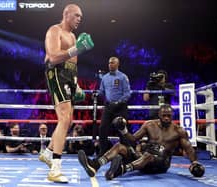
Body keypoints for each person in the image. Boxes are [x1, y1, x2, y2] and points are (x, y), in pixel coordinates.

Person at [38, 3, 94, 183]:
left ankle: (47, 153)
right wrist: (76, 49)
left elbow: (73, 63)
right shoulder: (55, 31)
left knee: (68, 120)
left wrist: (76, 84)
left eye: (81, 17)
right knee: (63, 118)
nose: (79, 19)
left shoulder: (73, 35)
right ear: (66, 14)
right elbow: (53, 57)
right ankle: (55, 169)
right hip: (55, 72)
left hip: (69, 76)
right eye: (76, 15)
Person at [78, 104, 205, 180]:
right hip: (143, 159)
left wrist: (194, 163)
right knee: (120, 146)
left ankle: (120, 170)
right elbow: (133, 139)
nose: (166, 118)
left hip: (161, 164)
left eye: (169, 116)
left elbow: (188, 148)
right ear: (159, 115)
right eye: (164, 115)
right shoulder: (149, 125)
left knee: (149, 155)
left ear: (172, 116)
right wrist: (123, 130)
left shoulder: (179, 131)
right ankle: (95, 165)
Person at [96, 56, 131, 156]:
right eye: (109, 63)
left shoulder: (123, 77)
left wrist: (119, 102)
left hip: (120, 107)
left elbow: (127, 93)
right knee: (102, 128)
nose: (110, 64)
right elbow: (102, 91)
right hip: (109, 107)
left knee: (122, 130)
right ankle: (103, 151)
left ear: (117, 64)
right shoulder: (105, 77)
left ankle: (125, 153)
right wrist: (97, 94)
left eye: (112, 63)